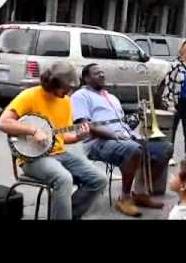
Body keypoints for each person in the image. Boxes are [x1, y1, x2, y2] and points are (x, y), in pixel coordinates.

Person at [0, 62, 107, 220]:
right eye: (65, 87)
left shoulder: (66, 101)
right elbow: (3, 123)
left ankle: (67, 215)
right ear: (52, 84)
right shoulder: (30, 95)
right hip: (33, 157)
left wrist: (78, 137)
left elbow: (63, 137)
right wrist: (33, 130)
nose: (68, 92)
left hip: (60, 154)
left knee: (99, 180)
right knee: (63, 178)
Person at [71, 64, 173, 217]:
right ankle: (124, 198)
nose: (102, 75)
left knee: (165, 148)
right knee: (132, 149)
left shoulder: (112, 97)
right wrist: (113, 135)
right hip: (97, 142)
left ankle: (140, 193)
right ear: (86, 78)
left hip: (125, 138)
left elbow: (124, 125)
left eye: (103, 72)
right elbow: (85, 125)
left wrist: (137, 117)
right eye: (96, 73)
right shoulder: (80, 96)